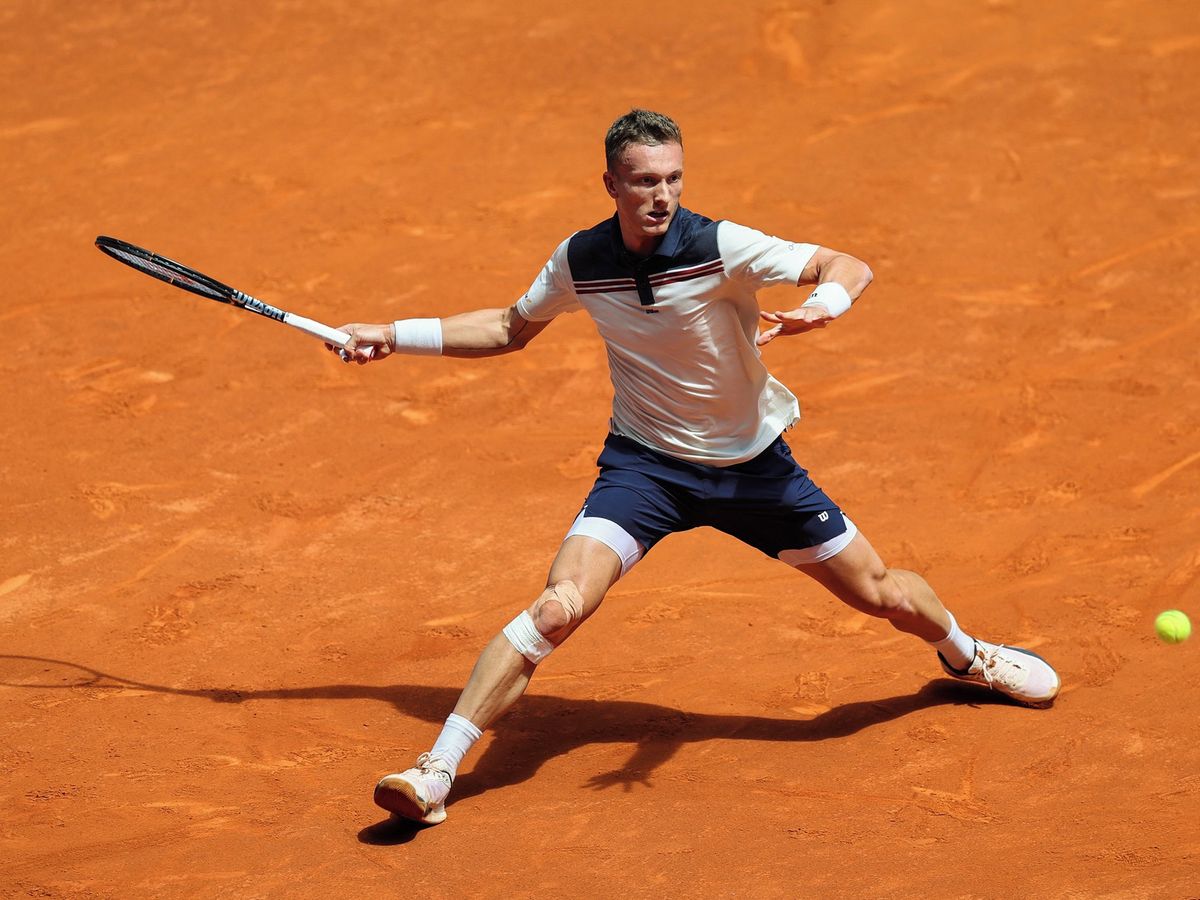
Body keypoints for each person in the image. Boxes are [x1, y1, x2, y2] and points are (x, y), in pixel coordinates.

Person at [330, 109, 1060, 827]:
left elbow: (847, 265)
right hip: (645, 469)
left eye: (673, 178)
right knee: (558, 606)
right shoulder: (582, 260)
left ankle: (966, 656)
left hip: (752, 471)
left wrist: (824, 303)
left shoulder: (720, 245)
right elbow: (507, 327)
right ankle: (435, 771)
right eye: (645, 181)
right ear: (611, 184)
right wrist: (392, 334)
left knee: (880, 594)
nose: (663, 195)